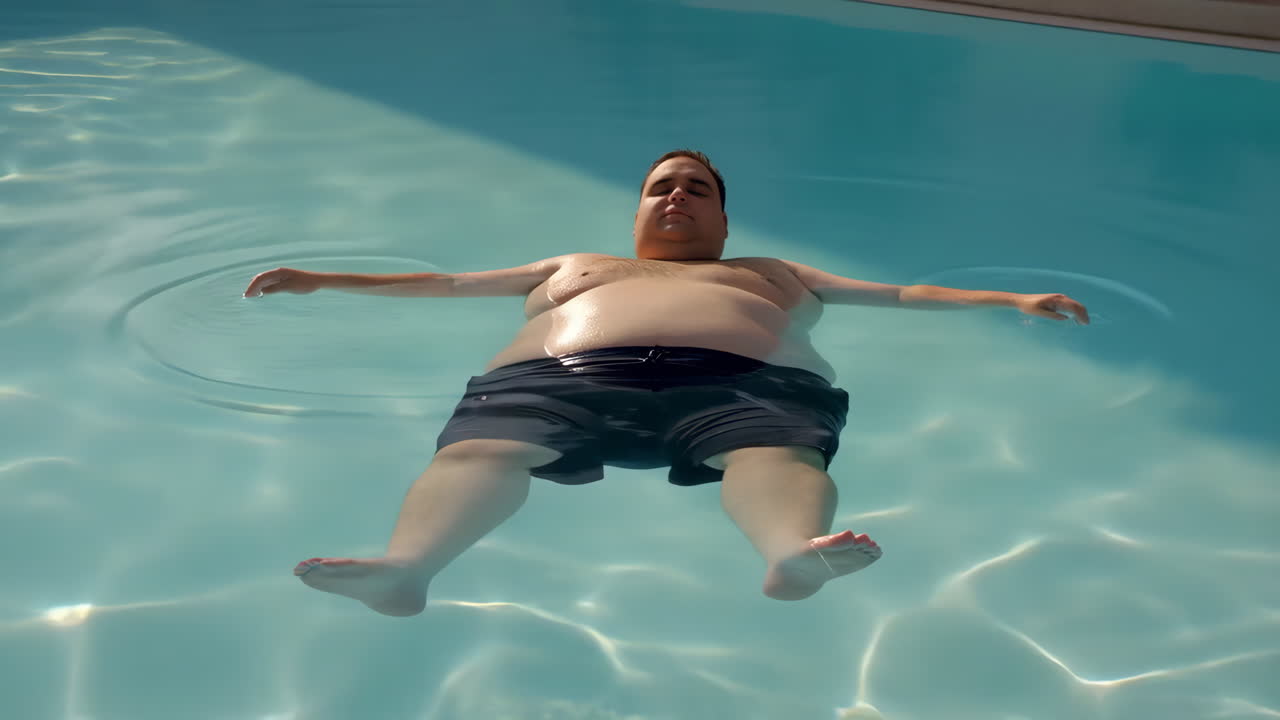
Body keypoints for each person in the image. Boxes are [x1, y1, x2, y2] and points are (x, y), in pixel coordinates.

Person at [243, 149, 1089, 617]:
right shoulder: (575, 265)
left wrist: (1014, 298)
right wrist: (322, 278)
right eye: (660, 187)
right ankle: (406, 571)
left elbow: (904, 293)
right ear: (638, 212)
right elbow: (447, 284)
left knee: (777, 458)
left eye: (697, 187)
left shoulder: (773, 269)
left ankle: (790, 558)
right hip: (557, 379)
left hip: (743, 383)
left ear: (724, 217)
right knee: (481, 454)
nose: (676, 195)